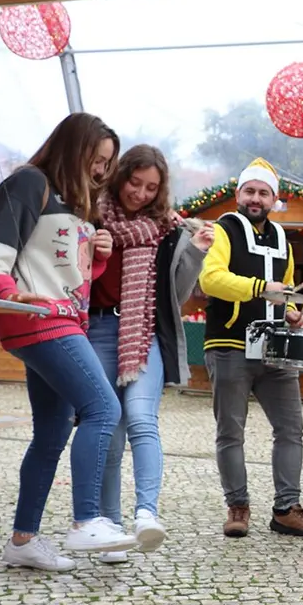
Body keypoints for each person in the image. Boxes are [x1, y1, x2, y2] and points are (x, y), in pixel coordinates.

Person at [0, 112, 136, 570]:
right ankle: (86, 522)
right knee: (103, 408)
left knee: (53, 433)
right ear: (71, 147)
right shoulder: (28, 182)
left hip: (56, 319)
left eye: (107, 163)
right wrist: (6, 293)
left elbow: (63, 274)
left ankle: (23, 540)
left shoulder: (73, 200)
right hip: (41, 320)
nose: (101, 170)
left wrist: (96, 257)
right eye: (96, 158)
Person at [87, 144, 214, 563]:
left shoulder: (167, 231)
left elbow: (174, 298)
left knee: (141, 419)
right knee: (109, 431)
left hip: (143, 334)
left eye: (150, 187)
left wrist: (194, 252)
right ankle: (108, 528)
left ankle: (146, 514)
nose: (140, 193)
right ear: (121, 175)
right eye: (134, 183)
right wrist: (92, 250)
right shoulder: (91, 216)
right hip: (98, 330)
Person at [198, 157, 303, 539]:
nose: (256, 198)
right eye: (249, 191)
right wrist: (259, 288)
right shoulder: (224, 229)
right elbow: (211, 280)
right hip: (229, 344)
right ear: (239, 194)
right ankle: (237, 506)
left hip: (275, 347)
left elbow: (283, 291)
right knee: (230, 432)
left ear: (274, 199)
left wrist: (289, 311)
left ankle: (287, 508)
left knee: (291, 429)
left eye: (263, 192)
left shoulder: (283, 238)